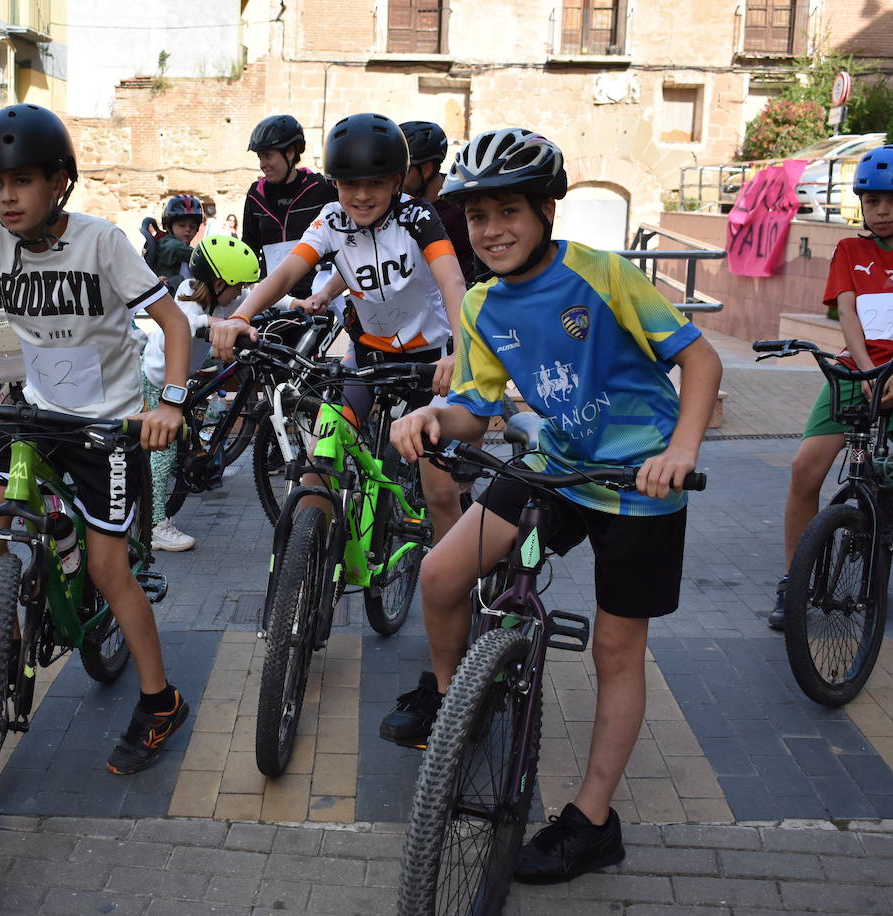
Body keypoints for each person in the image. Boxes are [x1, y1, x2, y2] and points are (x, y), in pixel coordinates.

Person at [386, 127, 721, 883]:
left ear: (546, 211)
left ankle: (593, 821)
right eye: (477, 217)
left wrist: (682, 451)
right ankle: (453, 711)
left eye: (509, 212)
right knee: (442, 577)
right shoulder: (479, 304)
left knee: (615, 650)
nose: (492, 231)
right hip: (557, 464)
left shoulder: (601, 275)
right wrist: (434, 419)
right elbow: (475, 408)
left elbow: (698, 358)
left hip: (640, 485)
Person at [0, 104, 192, 776]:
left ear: (59, 184)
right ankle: (2, 642)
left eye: (21, 182)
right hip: (35, 417)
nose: (6, 197)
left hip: (103, 427)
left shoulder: (102, 242)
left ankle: (161, 701)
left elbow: (172, 323)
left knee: (110, 570)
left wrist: (170, 404)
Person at [213, 112, 466, 545]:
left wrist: (459, 352)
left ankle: (452, 583)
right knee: (318, 466)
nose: (362, 196)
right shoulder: (332, 219)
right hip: (368, 357)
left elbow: (452, 281)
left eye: (375, 183)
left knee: (438, 488)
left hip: (428, 363)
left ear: (396, 181)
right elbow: (285, 274)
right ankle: (304, 575)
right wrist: (240, 315)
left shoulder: (418, 216)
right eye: (350, 185)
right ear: (335, 184)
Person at [769, 144, 893, 658]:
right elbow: (847, 315)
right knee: (804, 466)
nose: (881, 209)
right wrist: (867, 369)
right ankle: (794, 578)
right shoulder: (850, 252)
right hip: (859, 368)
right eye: (872, 199)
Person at [142, 235, 262, 552]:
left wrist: (296, 303)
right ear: (219, 282)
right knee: (163, 448)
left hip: (191, 369)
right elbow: (182, 320)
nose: (242, 293)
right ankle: (154, 525)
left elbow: (261, 298)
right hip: (161, 377)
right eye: (238, 286)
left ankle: (203, 455)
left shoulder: (226, 298)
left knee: (210, 413)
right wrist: (212, 322)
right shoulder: (186, 294)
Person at [240, 114, 338, 299]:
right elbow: (250, 244)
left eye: (268, 156)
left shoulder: (321, 188)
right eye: (260, 157)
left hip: (318, 297)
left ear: (291, 152)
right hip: (273, 297)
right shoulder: (255, 195)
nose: (263, 165)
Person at [400, 120, 479, 284]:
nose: (394, 179)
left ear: (426, 170)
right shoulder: (399, 203)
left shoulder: (460, 209)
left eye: (403, 171)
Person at [146, 194, 203, 294]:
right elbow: (198, 256)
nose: (188, 230)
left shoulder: (182, 247)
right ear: (168, 226)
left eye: (192, 226)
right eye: (182, 225)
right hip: (168, 299)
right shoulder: (169, 244)